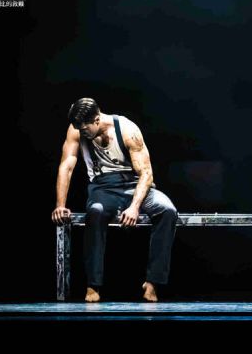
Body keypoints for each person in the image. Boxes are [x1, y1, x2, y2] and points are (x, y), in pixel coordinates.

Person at [51, 97, 178, 302]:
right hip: (103, 188)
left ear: (97, 119)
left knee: (168, 210)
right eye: (79, 128)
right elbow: (67, 166)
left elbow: (146, 174)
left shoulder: (127, 130)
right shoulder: (76, 129)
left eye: (85, 129)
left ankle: (152, 283)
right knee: (95, 212)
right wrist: (60, 205)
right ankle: (93, 285)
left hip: (134, 184)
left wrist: (135, 207)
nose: (82, 132)